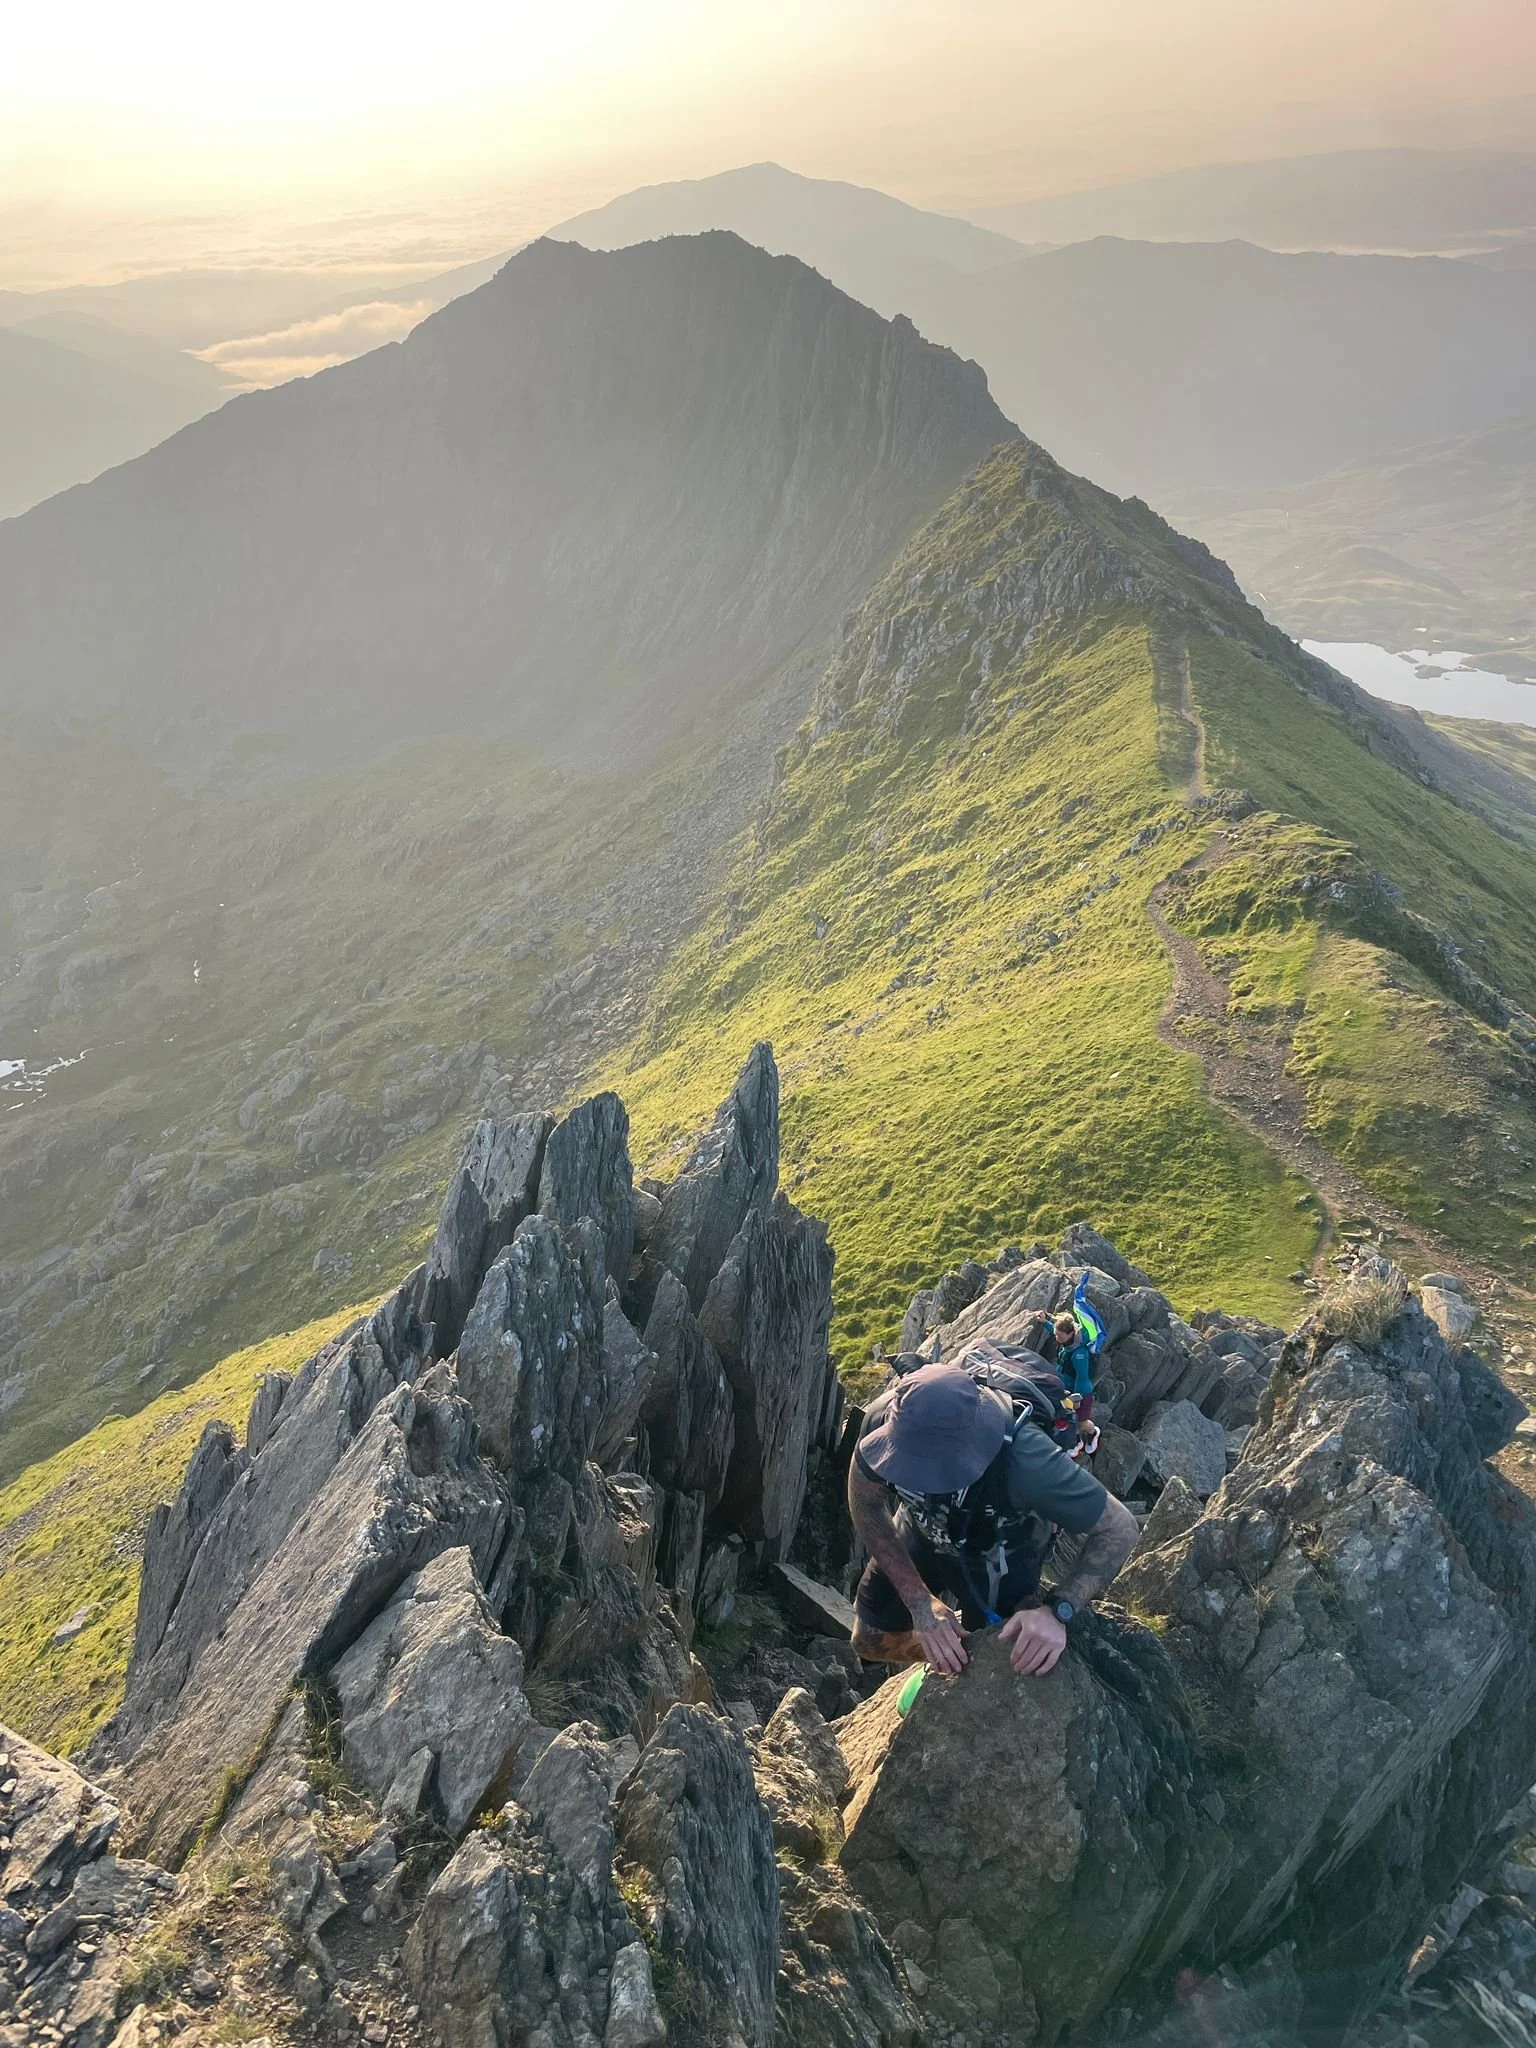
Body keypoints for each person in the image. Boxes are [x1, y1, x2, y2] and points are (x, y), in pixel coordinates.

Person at [847, 1359, 1138, 1677]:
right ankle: (946, 1657)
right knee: (869, 1641)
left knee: (999, 1663)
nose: (917, 1476)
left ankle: (961, 1661)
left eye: (926, 1466)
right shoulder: (885, 1422)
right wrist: (918, 1600)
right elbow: (865, 1501)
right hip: (921, 1531)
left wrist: (1058, 1610)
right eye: (907, 1462)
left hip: (1001, 1555)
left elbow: (1120, 1527)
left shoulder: (1026, 1461)